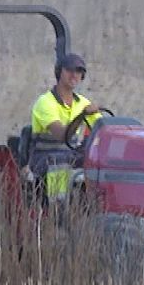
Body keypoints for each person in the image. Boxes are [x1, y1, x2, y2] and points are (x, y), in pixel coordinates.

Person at [28, 53, 101, 198]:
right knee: (61, 162)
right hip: (45, 157)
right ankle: (58, 205)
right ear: (59, 72)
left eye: (79, 71)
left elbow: (102, 129)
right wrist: (81, 117)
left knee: (97, 163)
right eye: (69, 70)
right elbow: (61, 135)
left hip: (70, 155)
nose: (74, 75)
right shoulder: (45, 102)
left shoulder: (83, 103)